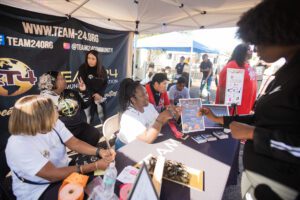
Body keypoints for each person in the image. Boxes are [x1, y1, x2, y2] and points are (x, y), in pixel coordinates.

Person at [199, 0, 300, 199]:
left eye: (260, 37)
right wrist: (221, 119)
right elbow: (265, 119)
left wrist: (254, 134)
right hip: (262, 181)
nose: (254, 48)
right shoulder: (286, 72)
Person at [5, 95, 116, 199]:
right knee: (87, 191)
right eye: (51, 116)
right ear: (36, 120)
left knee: (101, 181)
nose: (56, 119)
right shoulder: (18, 145)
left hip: (65, 169)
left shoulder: (52, 122)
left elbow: (74, 143)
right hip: (40, 189)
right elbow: (52, 174)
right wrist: (95, 166)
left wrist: (99, 152)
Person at [38, 71, 101, 146]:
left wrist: (84, 91)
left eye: (64, 78)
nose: (65, 80)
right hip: (60, 131)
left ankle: (85, 155)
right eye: (61, 79)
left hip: (79, 126)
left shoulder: (71, 92)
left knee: (94, 133)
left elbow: (85, 105)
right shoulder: (44, 99)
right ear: (52, 82)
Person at [115, 78, 179, 150]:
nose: (147, 96)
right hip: (126, 149)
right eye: (142, 95)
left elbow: (161, 124)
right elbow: (145, 141)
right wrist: (160, 119)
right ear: (133, 99)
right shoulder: (129, 117)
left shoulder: (149, 106)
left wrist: (171, 114)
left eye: (146, 93)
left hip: (147, 141)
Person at [215, 44, 257, 115]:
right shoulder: (233, 65)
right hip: (235, 110)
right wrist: (222, 111)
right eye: (249, 49)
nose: (252, 51)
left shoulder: (246, 65)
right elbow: (222, 87)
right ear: (242, 51)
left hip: (246, 106)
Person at [78, 50, 108, 124]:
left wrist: (99, 94)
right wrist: (93, 94)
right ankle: (88, 134)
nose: (90, 60)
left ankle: (106, 134)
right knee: (89, 119)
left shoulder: (101, 68)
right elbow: (82, 85)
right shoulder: (83, 68)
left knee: (103, 117)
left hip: (99, 97)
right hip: (88, 97)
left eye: (93, 59)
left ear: (97, 60)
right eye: (89, 58)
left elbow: (105, 82)